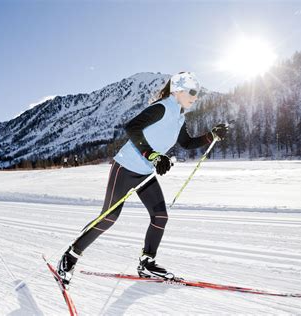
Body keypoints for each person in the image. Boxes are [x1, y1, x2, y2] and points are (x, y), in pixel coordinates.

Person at [57, 72, 228, 285]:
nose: (196, 96)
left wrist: (211, 135)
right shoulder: (162, 107)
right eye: (193, 92)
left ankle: (147, 263)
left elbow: (186, 143)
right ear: (178, 90)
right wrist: (153, 155)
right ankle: (70, 256)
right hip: (125, 168)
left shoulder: (179, 117)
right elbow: (132, 127)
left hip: (145, 173)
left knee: (160, 216)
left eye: (198, 93)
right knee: (109, 217)